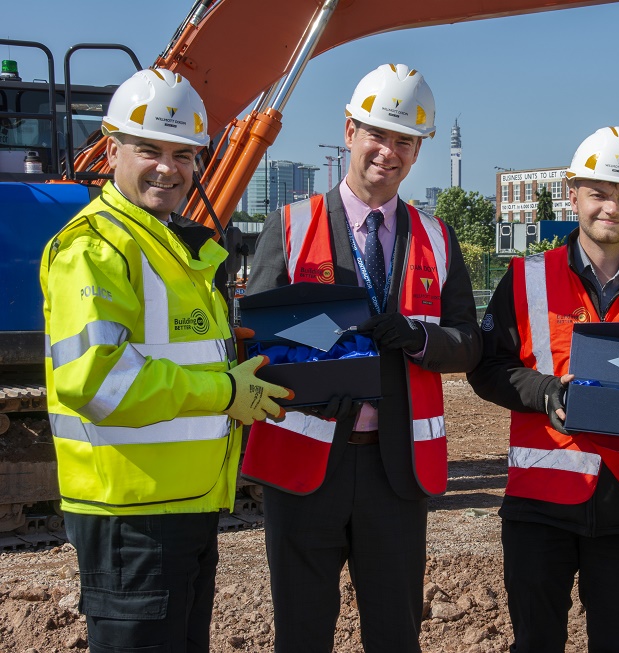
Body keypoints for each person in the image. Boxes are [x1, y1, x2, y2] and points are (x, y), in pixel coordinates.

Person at [40, 68, 290, 653]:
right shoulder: (96, 248)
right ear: (110, 149)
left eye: (183, 154)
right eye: (149, 149)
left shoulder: (165, 244)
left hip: (183, 507)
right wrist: (224, 394)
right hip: (130, 515)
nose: (167, 167)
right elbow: (96, 381)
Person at [243, 63, 481, 652]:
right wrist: (317, 345)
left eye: (404, 141)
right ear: (349, 131)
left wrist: (418, 339)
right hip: (305, 464)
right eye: (377, 134)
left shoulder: (438, 237)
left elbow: (470, 341)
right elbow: (251, 335)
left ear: (419, 150)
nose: (389, 152)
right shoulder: (290, 226)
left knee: (396, 632)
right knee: (301, 631)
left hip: (394, 470)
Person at [467, 126, 619, 652]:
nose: (610, 207)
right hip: (538, 502)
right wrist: (548, 393)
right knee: (536, 642)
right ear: (573, 194)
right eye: (598, 193)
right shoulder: (525, 279)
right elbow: (487, 370)